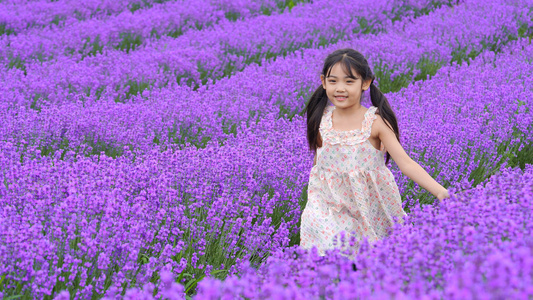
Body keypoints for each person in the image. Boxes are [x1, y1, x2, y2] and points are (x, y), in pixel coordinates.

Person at [300, 48, 450, 258]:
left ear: (366, 83)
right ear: (323, 82)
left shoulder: (375, 122)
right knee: (328, 250)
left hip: (367, 204)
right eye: (333, 81)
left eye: (349, 81)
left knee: (369, 258)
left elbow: (405, 163)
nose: (340, 88)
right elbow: (320, 165)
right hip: (328, 204)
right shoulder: (320, 120)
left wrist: (441, 192)